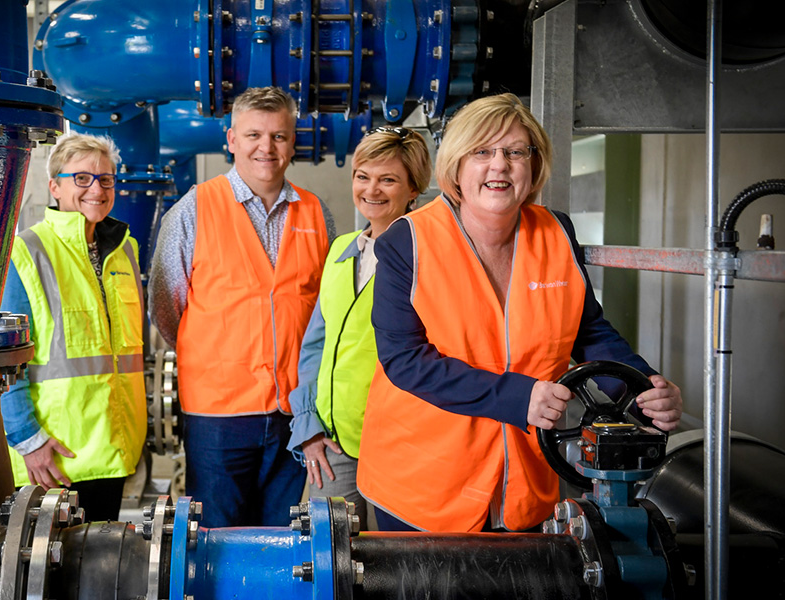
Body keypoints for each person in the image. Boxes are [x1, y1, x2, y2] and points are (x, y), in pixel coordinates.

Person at [356, 93, 683, 533]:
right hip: (423, 486)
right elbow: (404, 360)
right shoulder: (407, 241)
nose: (500, 165)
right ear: (456, 165)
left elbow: (588, 331)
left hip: (526, 481)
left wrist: (643, 391)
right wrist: (517, 397)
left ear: (534, 164)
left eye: (515, 152)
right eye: (482, 151)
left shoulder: (556, 233)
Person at [149, 86, 336, 528]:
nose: (265, 148)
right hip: (218, 414)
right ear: (231, 139)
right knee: (218, 540)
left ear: (294, 141)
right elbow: (166, 307)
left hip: (293, 410)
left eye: (278, 136)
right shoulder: (193, 209)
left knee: (282, 541)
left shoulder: (316, 213)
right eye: (254, 135)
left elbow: (323, 316)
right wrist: (214, 352)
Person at [287, 126, 432, 525]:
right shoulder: (341, 250)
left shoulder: (429, 259)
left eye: (388, 179)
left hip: (402, 445)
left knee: (400, 568)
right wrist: (308, 426)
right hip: (334, 446)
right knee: (329, 566)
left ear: (413, 188)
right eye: (363, 176)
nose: (372, 190)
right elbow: (316, 345)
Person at [0, 132, 147, 522]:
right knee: (45, 578)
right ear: (55, 187)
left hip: (113, 452)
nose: (96, 189)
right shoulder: (26, 252)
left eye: (106, 179)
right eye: (81, 178)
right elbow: (2, 362)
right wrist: (28, 441)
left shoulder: (123, 251)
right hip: (54, 460)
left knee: (100, 574)